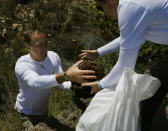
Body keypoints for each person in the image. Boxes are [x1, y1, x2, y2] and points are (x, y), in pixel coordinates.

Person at [79, 0, 168, 130]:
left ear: (109, 1)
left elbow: (125, 67)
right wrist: (98, 52)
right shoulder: (132, 5)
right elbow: (129, 35)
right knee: (154, 81)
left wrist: (100, 85)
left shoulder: (129, 9)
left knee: (156, 90)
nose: (103, 13)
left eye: (100, 8)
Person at [14, 30, 96, 125]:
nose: (44, 48)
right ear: (28, 47)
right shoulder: (22, 64)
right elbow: (35, 82)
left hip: (43, 111)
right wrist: (66, 75)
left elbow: (61, 83)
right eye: (39, 45)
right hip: (25, 113)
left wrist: (76, 85)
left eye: (46, 43)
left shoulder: (53, 57)